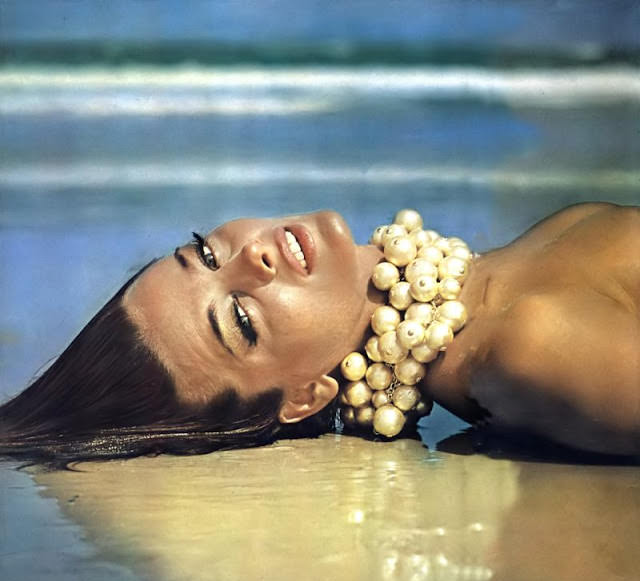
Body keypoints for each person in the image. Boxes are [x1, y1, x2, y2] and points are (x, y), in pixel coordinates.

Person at [1, 201, 638, 464]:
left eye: (206, 254)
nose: (252, 258)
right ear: (305, 396)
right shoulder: (523, 351)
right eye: (241, 320)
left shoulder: (503, 287)